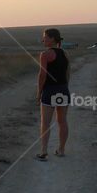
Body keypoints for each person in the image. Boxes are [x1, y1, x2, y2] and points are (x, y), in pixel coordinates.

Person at [35, 28, 70, 161]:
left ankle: (44, 152)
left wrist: (39, 93)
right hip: (63, 89)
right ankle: (61, 150)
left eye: (45, 37)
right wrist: (65, 87)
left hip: (50, 90)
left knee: (45, 122)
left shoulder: (45, 54)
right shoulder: (65, 53)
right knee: (62, 121)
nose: (43, 39)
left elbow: (42, 75)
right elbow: (68, 73)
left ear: (52, 39)